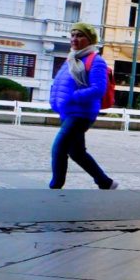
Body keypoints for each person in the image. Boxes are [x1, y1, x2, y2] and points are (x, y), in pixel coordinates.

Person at [48, 22, 117, 190]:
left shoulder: (96, 61)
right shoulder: (72, 58)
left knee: (59, 147)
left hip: (82, 113)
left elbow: (98, 89)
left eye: (79, 35)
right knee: (76, 152)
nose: (74, 39)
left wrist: (72, 97)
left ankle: (55, 187)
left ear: (89, 40)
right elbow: (59, 83)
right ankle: (105, 182)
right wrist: (55, 100)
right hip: (68, 111)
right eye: (73, 35)